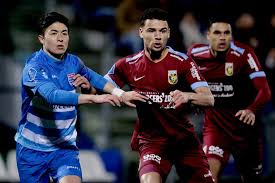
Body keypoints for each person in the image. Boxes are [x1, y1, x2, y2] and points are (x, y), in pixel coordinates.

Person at [15, 12, 147, 183]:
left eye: (64, 33)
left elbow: (95, 78)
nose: (60, 38)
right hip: (32, 150)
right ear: (41, 38)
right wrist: (94, 99)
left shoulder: (73, 62)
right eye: (54, 33)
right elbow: (51, 95)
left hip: (64, 149)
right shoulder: (33, 67)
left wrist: (121, 94)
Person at [105, 8, 215, 183]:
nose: (158, 36)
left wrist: (187, 96)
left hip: (184, 140)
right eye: (152, 30)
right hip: (152, 141)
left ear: (169, 33)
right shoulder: (127, 64)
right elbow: (101, 87)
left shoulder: (182, 61)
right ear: (141, 32)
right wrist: (118, 92)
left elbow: (209, 98)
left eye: (163, 31)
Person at [187, 16, 272, 183]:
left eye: (227, 33)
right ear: (208, 35)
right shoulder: (195, 54)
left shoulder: (244, 54)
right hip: (215, 128)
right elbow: (183, 81)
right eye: (217, 33)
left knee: (251, 178)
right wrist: (191, 99)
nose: (222, 37)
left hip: (245, 129)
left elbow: (265, 90)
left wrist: (251, 110)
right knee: (209, 176)